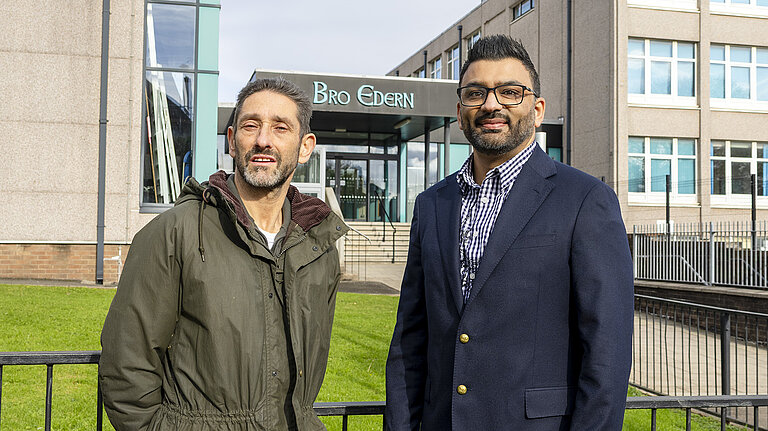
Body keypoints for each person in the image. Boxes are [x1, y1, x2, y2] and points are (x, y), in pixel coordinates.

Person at [385, 35, 633, 430]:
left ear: (537, 110)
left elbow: (607, 350)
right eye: (475, 93)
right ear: (460, 109)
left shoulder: (586, 199)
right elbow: (410, 341)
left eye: (509, 92)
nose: (491, 104)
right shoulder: (432, 205)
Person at [99, 77, 348, 430]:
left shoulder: (318, 247)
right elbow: (127, 364)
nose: (263, 140)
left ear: (305, 146)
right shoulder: (175, 232)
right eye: (251, 125)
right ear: (232, 141)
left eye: (280, 128)